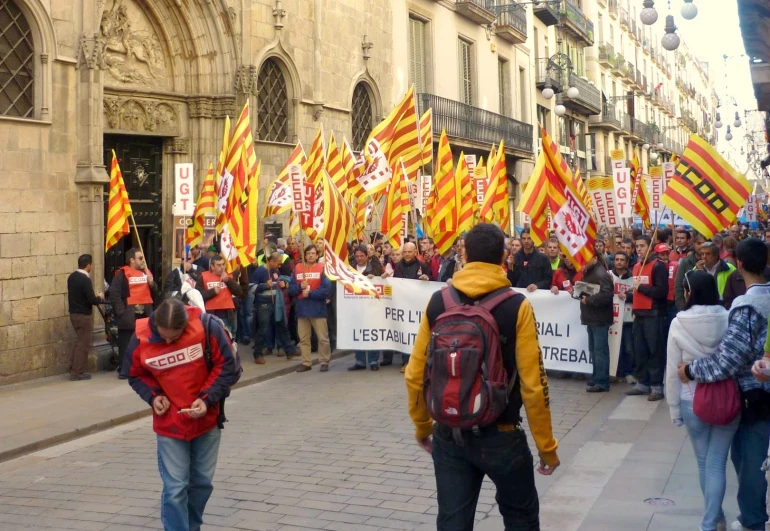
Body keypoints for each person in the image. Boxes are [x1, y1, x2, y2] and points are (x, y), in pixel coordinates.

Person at [404, 223, 559, 529]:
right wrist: (546, 447)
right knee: (521, 518)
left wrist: (423, 426)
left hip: (449, 432)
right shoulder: (517, 306)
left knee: (453, 521)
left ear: (465, 253)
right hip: (501, 434)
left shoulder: (438, 301)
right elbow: (533, 385)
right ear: (505, 256)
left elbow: (414, 374)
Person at [678, 238, 770, 531]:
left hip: (754, 397)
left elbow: (727, 361)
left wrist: (691, 370)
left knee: (751, 463)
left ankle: (753, 521)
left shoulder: (747, 305)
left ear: (739, 264)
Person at [125, 298, 238, 531]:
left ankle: (192, 526)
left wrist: (206, 399)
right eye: (162, 336)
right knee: (175, 488)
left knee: (201, 484)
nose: (167, 341)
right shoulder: (141, 337)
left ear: (184, 326)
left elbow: (228, 366)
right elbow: (134, 374)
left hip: (206, 419)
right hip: (170, 422)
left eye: (173, 337)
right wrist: (154, 396)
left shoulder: (208, 327)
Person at [665, 270, 735, 531]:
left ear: (689, 292)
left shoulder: (679, 322)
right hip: (728, 396)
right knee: (717, 462)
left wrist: (673, 409)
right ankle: (714, 519)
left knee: (705, 462)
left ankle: (711, 522)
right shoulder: (728, 317)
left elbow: (672, 369)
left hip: (691, 396)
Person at [627, 235, 669, 401]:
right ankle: (643, 383)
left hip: (654, 315)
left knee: (655, 352)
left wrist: (642, 288)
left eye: (642, 246)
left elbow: (661, 292)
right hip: (639, 315)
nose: (639, 249)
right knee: (640, 352)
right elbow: (637, 291)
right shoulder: (636, 266)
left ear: (650, 247)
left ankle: (657, 387)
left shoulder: (658, 266)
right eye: (637, 246)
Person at [108, 247, 157, 379]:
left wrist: (152, 283)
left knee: (144, 343)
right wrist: (121, 312)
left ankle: (141, 368)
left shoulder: (146, 273)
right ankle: (124, 369)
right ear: (132, 260)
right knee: (126, 343)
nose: (143, 261)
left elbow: (155, 292)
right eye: (140, 258)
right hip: (129, 315)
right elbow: (115, 294)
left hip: (143, 313)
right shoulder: (121, 275)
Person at [289, 245, 332, 373]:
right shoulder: (297, 269)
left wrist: (311, 293)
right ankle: (306, 362)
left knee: (322, 338)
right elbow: (291, 289)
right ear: (305, 255)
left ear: (317, 255)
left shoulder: (323, 268)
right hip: (302, 309)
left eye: (313, 253)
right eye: (308, 253)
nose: (311, 255)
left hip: (318, 309)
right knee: (303, 338)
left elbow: (326, 289)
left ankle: (324, 361)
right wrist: (299, 287)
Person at [251, 251, 298, 365]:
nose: (280, 265)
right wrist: (264, 286)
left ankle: (289, 350)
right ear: (271, 261)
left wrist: (284, 285)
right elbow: (252, 288)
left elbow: (278, 285)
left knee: (281, 325)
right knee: (263, 328)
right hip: (263, 304)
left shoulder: (276, 271)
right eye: (278, 263)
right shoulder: (259, 271)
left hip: (276, 302)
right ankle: (258, 353)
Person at [579, 253, 615, 393]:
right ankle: (597, 377)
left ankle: (602, 381)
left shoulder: (600, 273)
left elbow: (607, 294)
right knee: (594, 349)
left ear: (594, 258)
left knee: (600, 351)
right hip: (592, 316)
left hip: (599, 317)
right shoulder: (591, 270)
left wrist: (589, 300)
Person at [66, 254, 104, 381]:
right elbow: (91, 299)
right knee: (84, 343)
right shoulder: (85, 279)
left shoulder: (71, 277)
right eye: (91, 265)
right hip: (83, 315)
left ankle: (73, 367)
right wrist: (99, 297)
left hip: (74, 313)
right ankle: (77, 372)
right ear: (88, 265)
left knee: (80, 341)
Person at [196, 255, 242, 334]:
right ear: (212, 267)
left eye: (223, 264)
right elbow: (197, 295)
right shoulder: (203, 276)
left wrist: (228, 280)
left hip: (227, 314)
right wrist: (212, 292)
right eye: (219, 265)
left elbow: (239, 292)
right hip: (211, 314)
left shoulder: (229, 276)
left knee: (228, 337)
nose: (222, 267)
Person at [611, 251, 636, 384]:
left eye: (622, 260)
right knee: (614, 346)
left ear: (627, 263)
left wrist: (628, 295)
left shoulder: (633, 277)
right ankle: (614, 372)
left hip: (627, 318)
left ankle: (628, 372)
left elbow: (637, 294)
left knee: (628, 348)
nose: (619, 262)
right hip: (612, 318)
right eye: (617, 259)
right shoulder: (608, 275)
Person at [675, 231, 707, 310]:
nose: (701, 246)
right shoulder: (686, 262)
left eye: (704, 243)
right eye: (699, 243)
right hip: (688, 307)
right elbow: (679, 285)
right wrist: (682, 307)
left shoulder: (713, 262)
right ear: (694, 244)